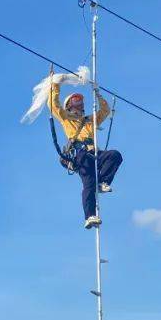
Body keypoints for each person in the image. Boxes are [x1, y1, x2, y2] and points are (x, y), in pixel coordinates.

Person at [48, 73, 123, 229]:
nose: (79, 103)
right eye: (75, 101)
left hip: (94, 153)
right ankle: (89, 216)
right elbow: (53, 105)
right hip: (80, 154)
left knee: (114, 155)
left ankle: (102, 181)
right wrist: (55, 85)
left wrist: (98, 94)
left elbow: (105, 111)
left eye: (80, 101)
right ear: (69, 105)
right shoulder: (66, 118)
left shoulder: (89, 120)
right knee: (88, 184)